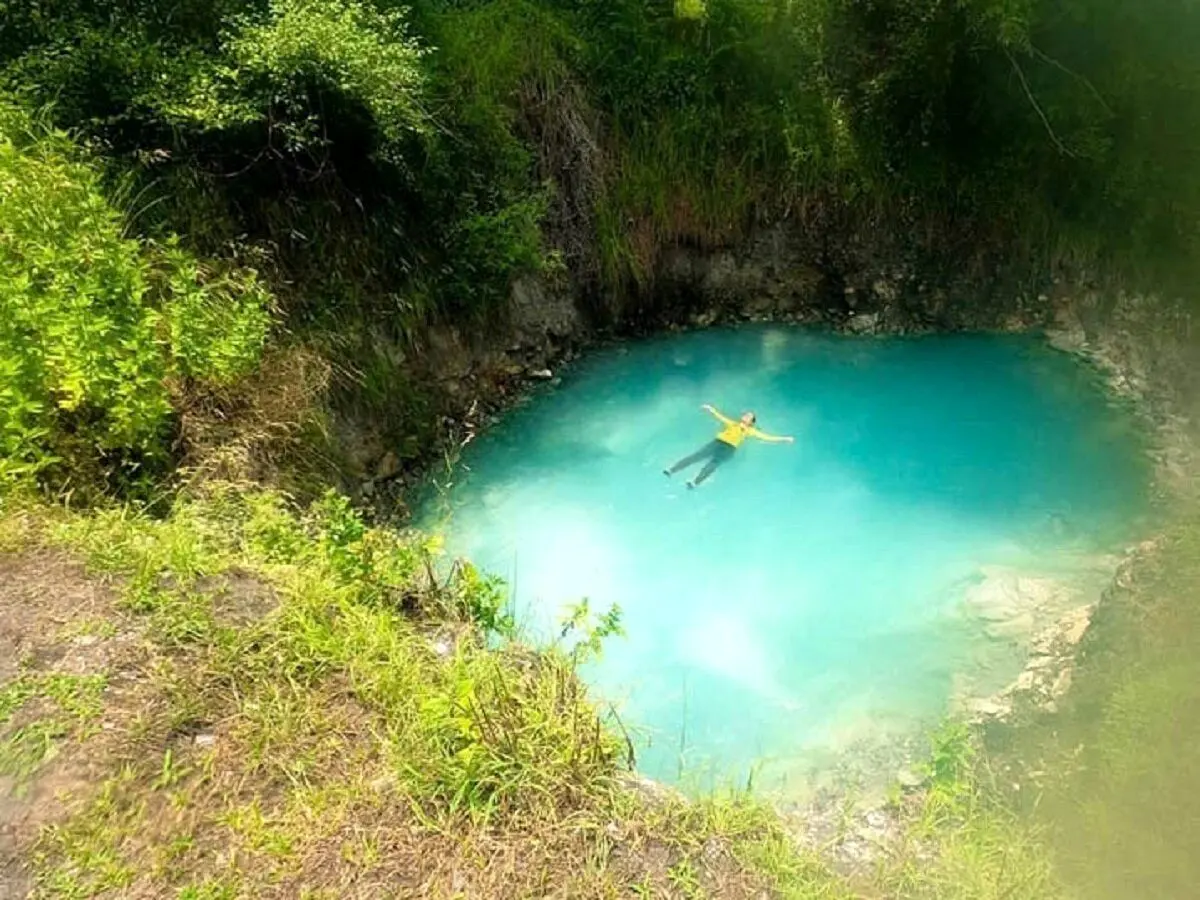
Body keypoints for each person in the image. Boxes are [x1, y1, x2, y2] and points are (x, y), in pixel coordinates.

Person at [664, 405, 794, 488]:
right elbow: (720, 417)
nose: (745, 416)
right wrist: (710, 409)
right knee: (696, 456)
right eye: (745, 414)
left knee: (712, 465)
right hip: (717, 443)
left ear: (751, 422)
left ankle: (695, 482)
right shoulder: (733, 424)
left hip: (729, 449)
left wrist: (784, 439)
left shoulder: (750, 431)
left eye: (749, 416)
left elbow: (767, 437)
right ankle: (672, 470)